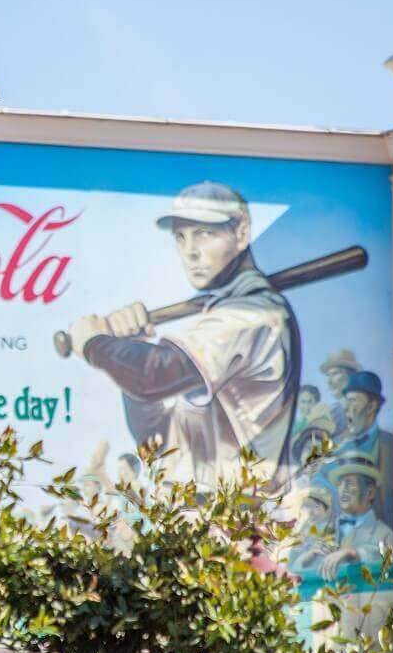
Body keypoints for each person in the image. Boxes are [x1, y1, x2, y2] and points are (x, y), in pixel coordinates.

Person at [68, 181, 300, 490]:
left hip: (238, 521)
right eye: (181, 236)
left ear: (242, 232)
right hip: (192, 519)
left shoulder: (254, 314)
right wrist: (132, 346)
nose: (190, 252)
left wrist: (94, 344)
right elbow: (156, 440)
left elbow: (154, 374)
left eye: (205, 234)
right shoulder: (221, 313)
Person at [318, 455, 393, 581]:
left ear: (370, 492)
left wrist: (353, 553)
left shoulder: (384, 533)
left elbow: (388, 560)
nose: (343, 490)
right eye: (340, 484)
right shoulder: (326, 531)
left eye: (350, 484)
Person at [335, 370, 393, 528]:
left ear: (371, 406)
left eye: (353, 400)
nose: (346, 408)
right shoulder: (337, 448)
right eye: (345, 402)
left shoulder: (392, 445)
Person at [319, 350, 361, 437]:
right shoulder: (332, 411)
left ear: (351, 376)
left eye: (335, 373)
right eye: (328, 375)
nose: (329, 381)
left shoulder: (363, 408)